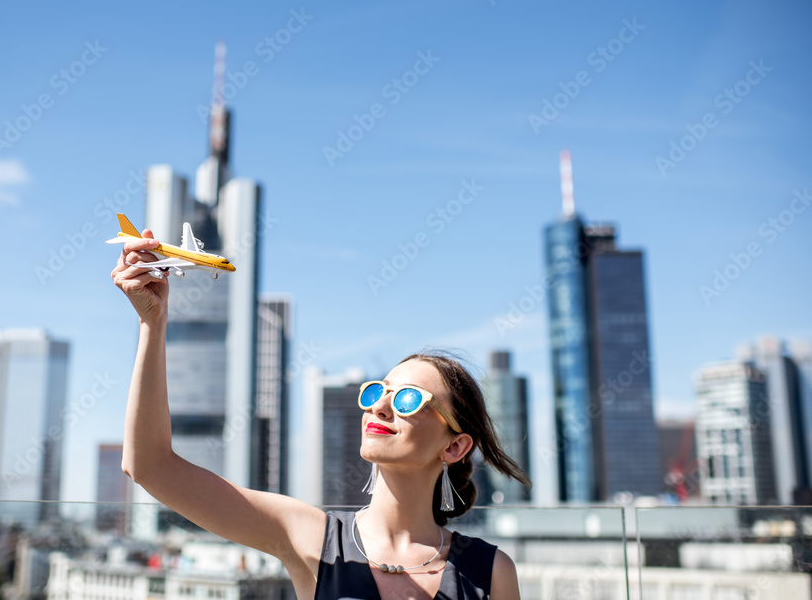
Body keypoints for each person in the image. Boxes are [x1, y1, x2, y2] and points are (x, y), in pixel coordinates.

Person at [113, 230, 531, 600]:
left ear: (455, 446)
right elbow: (149, 465)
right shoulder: (312, 537)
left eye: (407, 399)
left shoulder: (492, 572)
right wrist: (153, 323)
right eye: (376, 391)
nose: (380, 405)